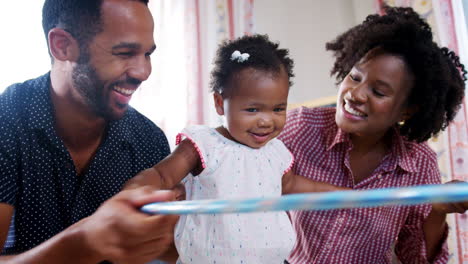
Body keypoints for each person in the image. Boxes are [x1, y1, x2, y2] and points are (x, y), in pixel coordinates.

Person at [125, 34, 345, 263]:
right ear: (220, 104)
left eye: (278, 109)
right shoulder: (204, 145)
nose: (266, 121)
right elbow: (162, 174)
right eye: (252, 110)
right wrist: (135, 191)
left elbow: (292, 185)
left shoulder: (275, 152)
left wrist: (342, 195)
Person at [278, 6, 468, 264]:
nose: (355, 94)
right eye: (354, 77)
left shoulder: (418, 166)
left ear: (408, 109)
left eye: (379, 92)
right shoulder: (300, 128)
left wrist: (438, 210)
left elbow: (415, 259)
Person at [0, 0, 180, 262]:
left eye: (147, 54)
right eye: (124, 52)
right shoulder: (6, 121)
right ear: (62, 45)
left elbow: (165, 256)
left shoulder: (149, 140)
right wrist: (83, 244)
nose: (144, 72)